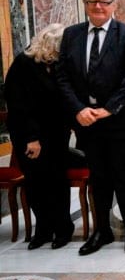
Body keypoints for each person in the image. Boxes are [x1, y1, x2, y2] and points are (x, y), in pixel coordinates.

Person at [56, 0, 125, 256]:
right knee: (98, 177)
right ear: (85, 4)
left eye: (104, 2)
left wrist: (109, 108)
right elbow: (62, 76)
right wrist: (78, 109)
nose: (98, 6)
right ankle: (102, 230)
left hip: (120, 122)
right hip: (87, 122)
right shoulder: (71, 35)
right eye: (92, 1)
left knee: (123, 176)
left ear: (113, 5)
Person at [5, 23, 74, 250]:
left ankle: (63, 229)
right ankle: (43, 229)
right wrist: (31, 139)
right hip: (29, 135)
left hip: (56, 134)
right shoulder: (23, 64)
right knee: (36, 183)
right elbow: (19, 106)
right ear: (50, 43)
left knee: (57, 181)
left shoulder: (58, 65)